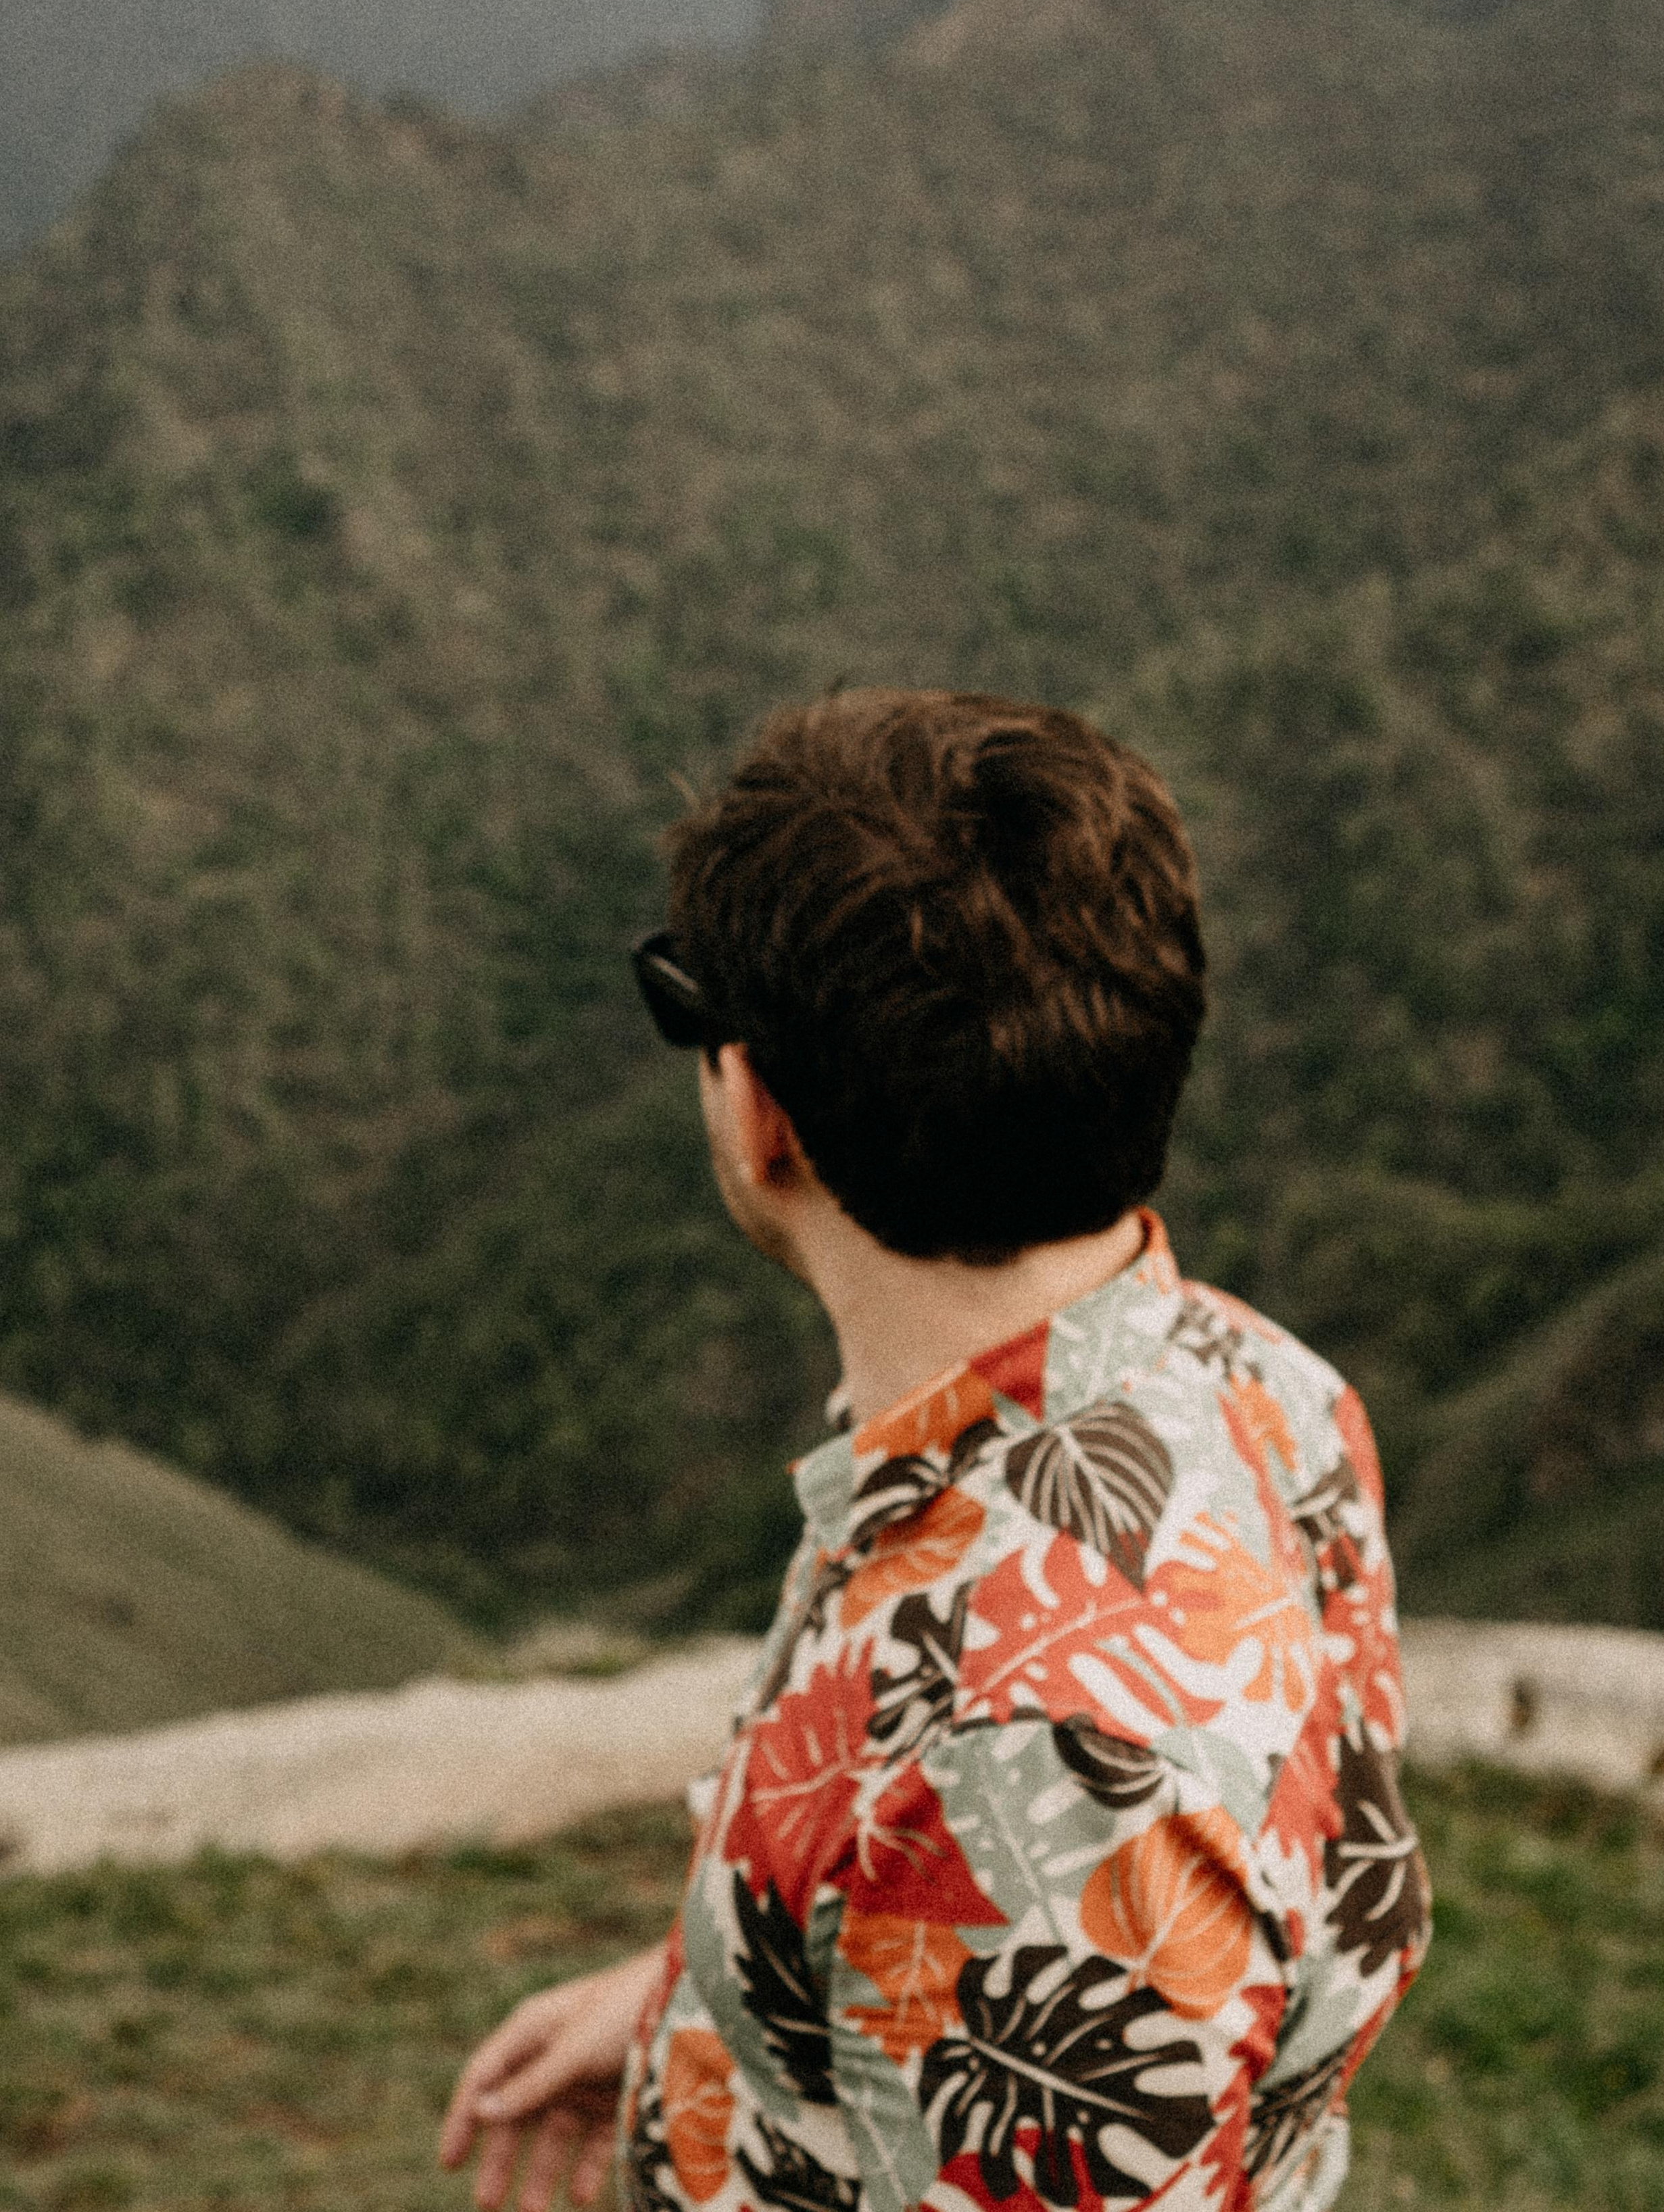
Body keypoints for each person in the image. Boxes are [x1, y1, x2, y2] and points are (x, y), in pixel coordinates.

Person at [441, 690, 1429, 2212]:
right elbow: (926, 1915)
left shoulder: (1032, 1760)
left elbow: (1010, 1883)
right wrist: (709, 2007)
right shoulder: (1259, 1382)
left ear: (760, 1104)